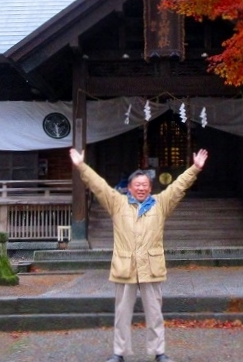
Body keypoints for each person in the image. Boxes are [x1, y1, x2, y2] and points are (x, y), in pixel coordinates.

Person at [69, 146, 209, 362]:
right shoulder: (117, 203)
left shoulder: (160, 204)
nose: (141, 188)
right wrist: (81, 166)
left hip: (151, 268)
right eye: (137, 185)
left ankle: (158, 352)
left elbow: (179, 187)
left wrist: (195, 168)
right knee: (122, 315)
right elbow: (99, 186)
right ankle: (119, 353)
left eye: (145, 185)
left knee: (155, 314)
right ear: (130, 188)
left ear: (150, 187)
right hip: (125, 267)